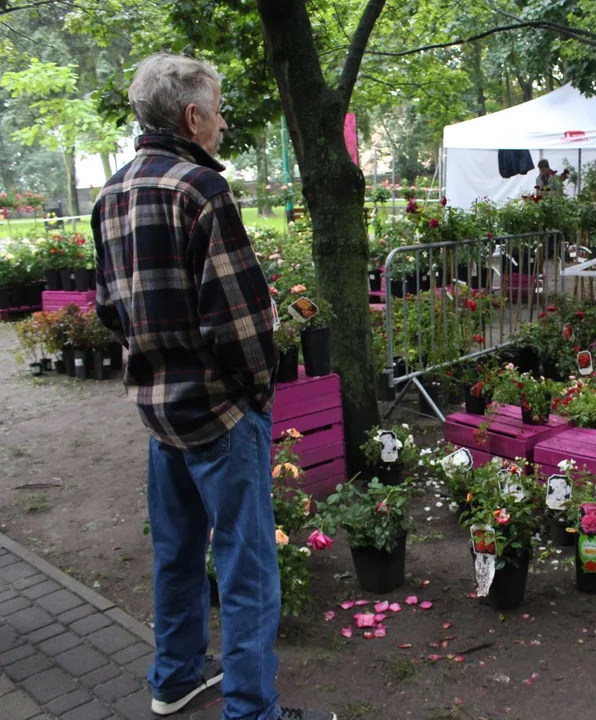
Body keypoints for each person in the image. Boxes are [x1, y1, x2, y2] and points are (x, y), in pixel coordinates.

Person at [92, 53, 334, 720]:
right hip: (220, 417)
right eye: (218, 108)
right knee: (247, 568)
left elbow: (110, 308)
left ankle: (172, 679)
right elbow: (245, 325)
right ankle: (251, 711)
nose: (224, 122)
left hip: (159, 413)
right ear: (192, 116)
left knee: (175, 555)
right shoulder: (200, 189)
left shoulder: (111, 193)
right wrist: (255, 393)